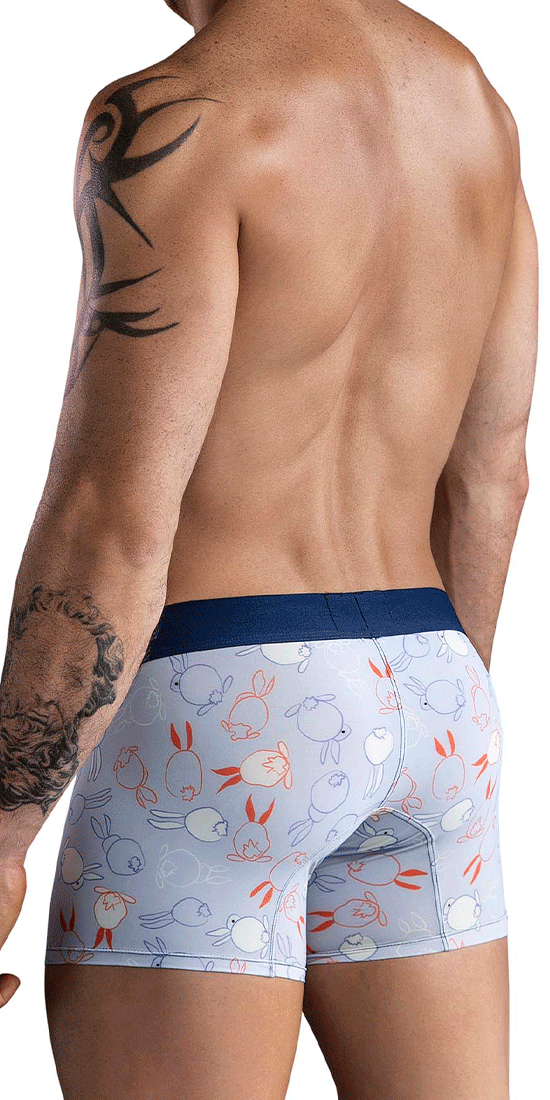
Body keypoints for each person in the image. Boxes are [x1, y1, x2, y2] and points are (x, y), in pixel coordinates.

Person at [0, 0, 538, 1097]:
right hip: (438, 691)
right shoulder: (471, 101)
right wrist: (421, 720)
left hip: (218, 700)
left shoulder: (180, 114)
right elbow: (492, 476)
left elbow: (112, 517)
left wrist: (5, 829)